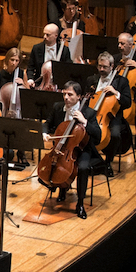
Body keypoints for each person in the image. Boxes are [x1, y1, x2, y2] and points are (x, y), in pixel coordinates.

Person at [42, 81, 103, 220]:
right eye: (64, 94)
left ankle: (80, 203)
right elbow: (47, 124)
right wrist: (44, 133)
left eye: (70, 95)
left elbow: (98, 137)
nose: (66, 98)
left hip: (82, 149)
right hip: (62, 147)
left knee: (82, 168)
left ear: (79, 97)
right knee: (55, 164)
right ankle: (61, 188)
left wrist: (85, 122)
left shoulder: (88, 112)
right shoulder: (58, 108)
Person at [86, 51, 132, 174]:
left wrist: (116, 93)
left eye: (105, 67)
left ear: (112, 66)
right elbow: (85, 101)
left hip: (112, 116)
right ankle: (90, 160)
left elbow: (128, 102)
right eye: (99, 66)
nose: (101, 69)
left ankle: (108, 163)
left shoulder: (121, 81)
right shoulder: (92, 80)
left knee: (115, 134)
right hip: (93, 114)